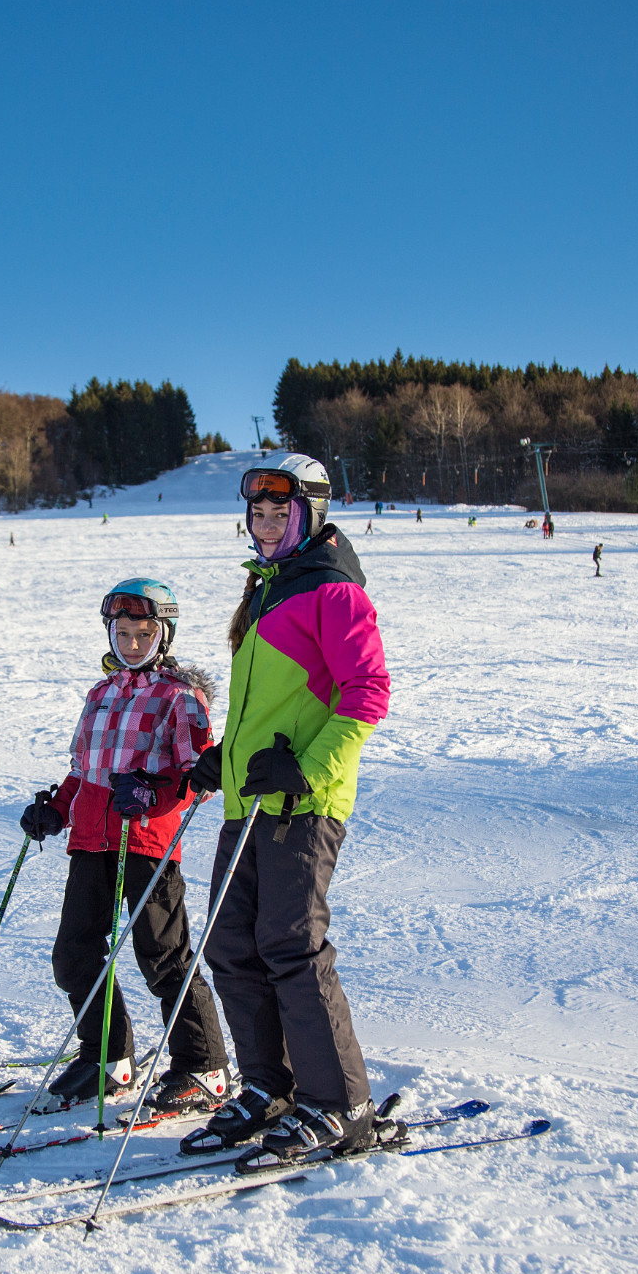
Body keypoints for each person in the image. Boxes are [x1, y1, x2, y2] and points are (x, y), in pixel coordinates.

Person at [178, 452, 391, 1168]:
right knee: (231, 945)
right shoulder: (267, 586)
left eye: (282, 512)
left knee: (292, 947)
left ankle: (339, 1105)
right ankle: (270, 1084)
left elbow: (366, 695)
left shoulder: (332, 590)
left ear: (311, 515)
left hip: (304, 800)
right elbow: (265, 704)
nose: (268, 524)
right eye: (260, 513)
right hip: (250, 797)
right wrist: (224, 759)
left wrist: (304, 769)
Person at [21, 578, 230, 1110]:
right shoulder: (101, 693)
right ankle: (107, 1057)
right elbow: (83, 770)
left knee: (161, 956)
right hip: (91, 840)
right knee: (73, 956)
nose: (133, 643)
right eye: (123, 632)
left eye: (144, 633)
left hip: (145, 842)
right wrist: (57, 808)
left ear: (164, 635)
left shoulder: (180, 699)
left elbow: (198, 779)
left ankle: (203, 1066)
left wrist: (152, 794)